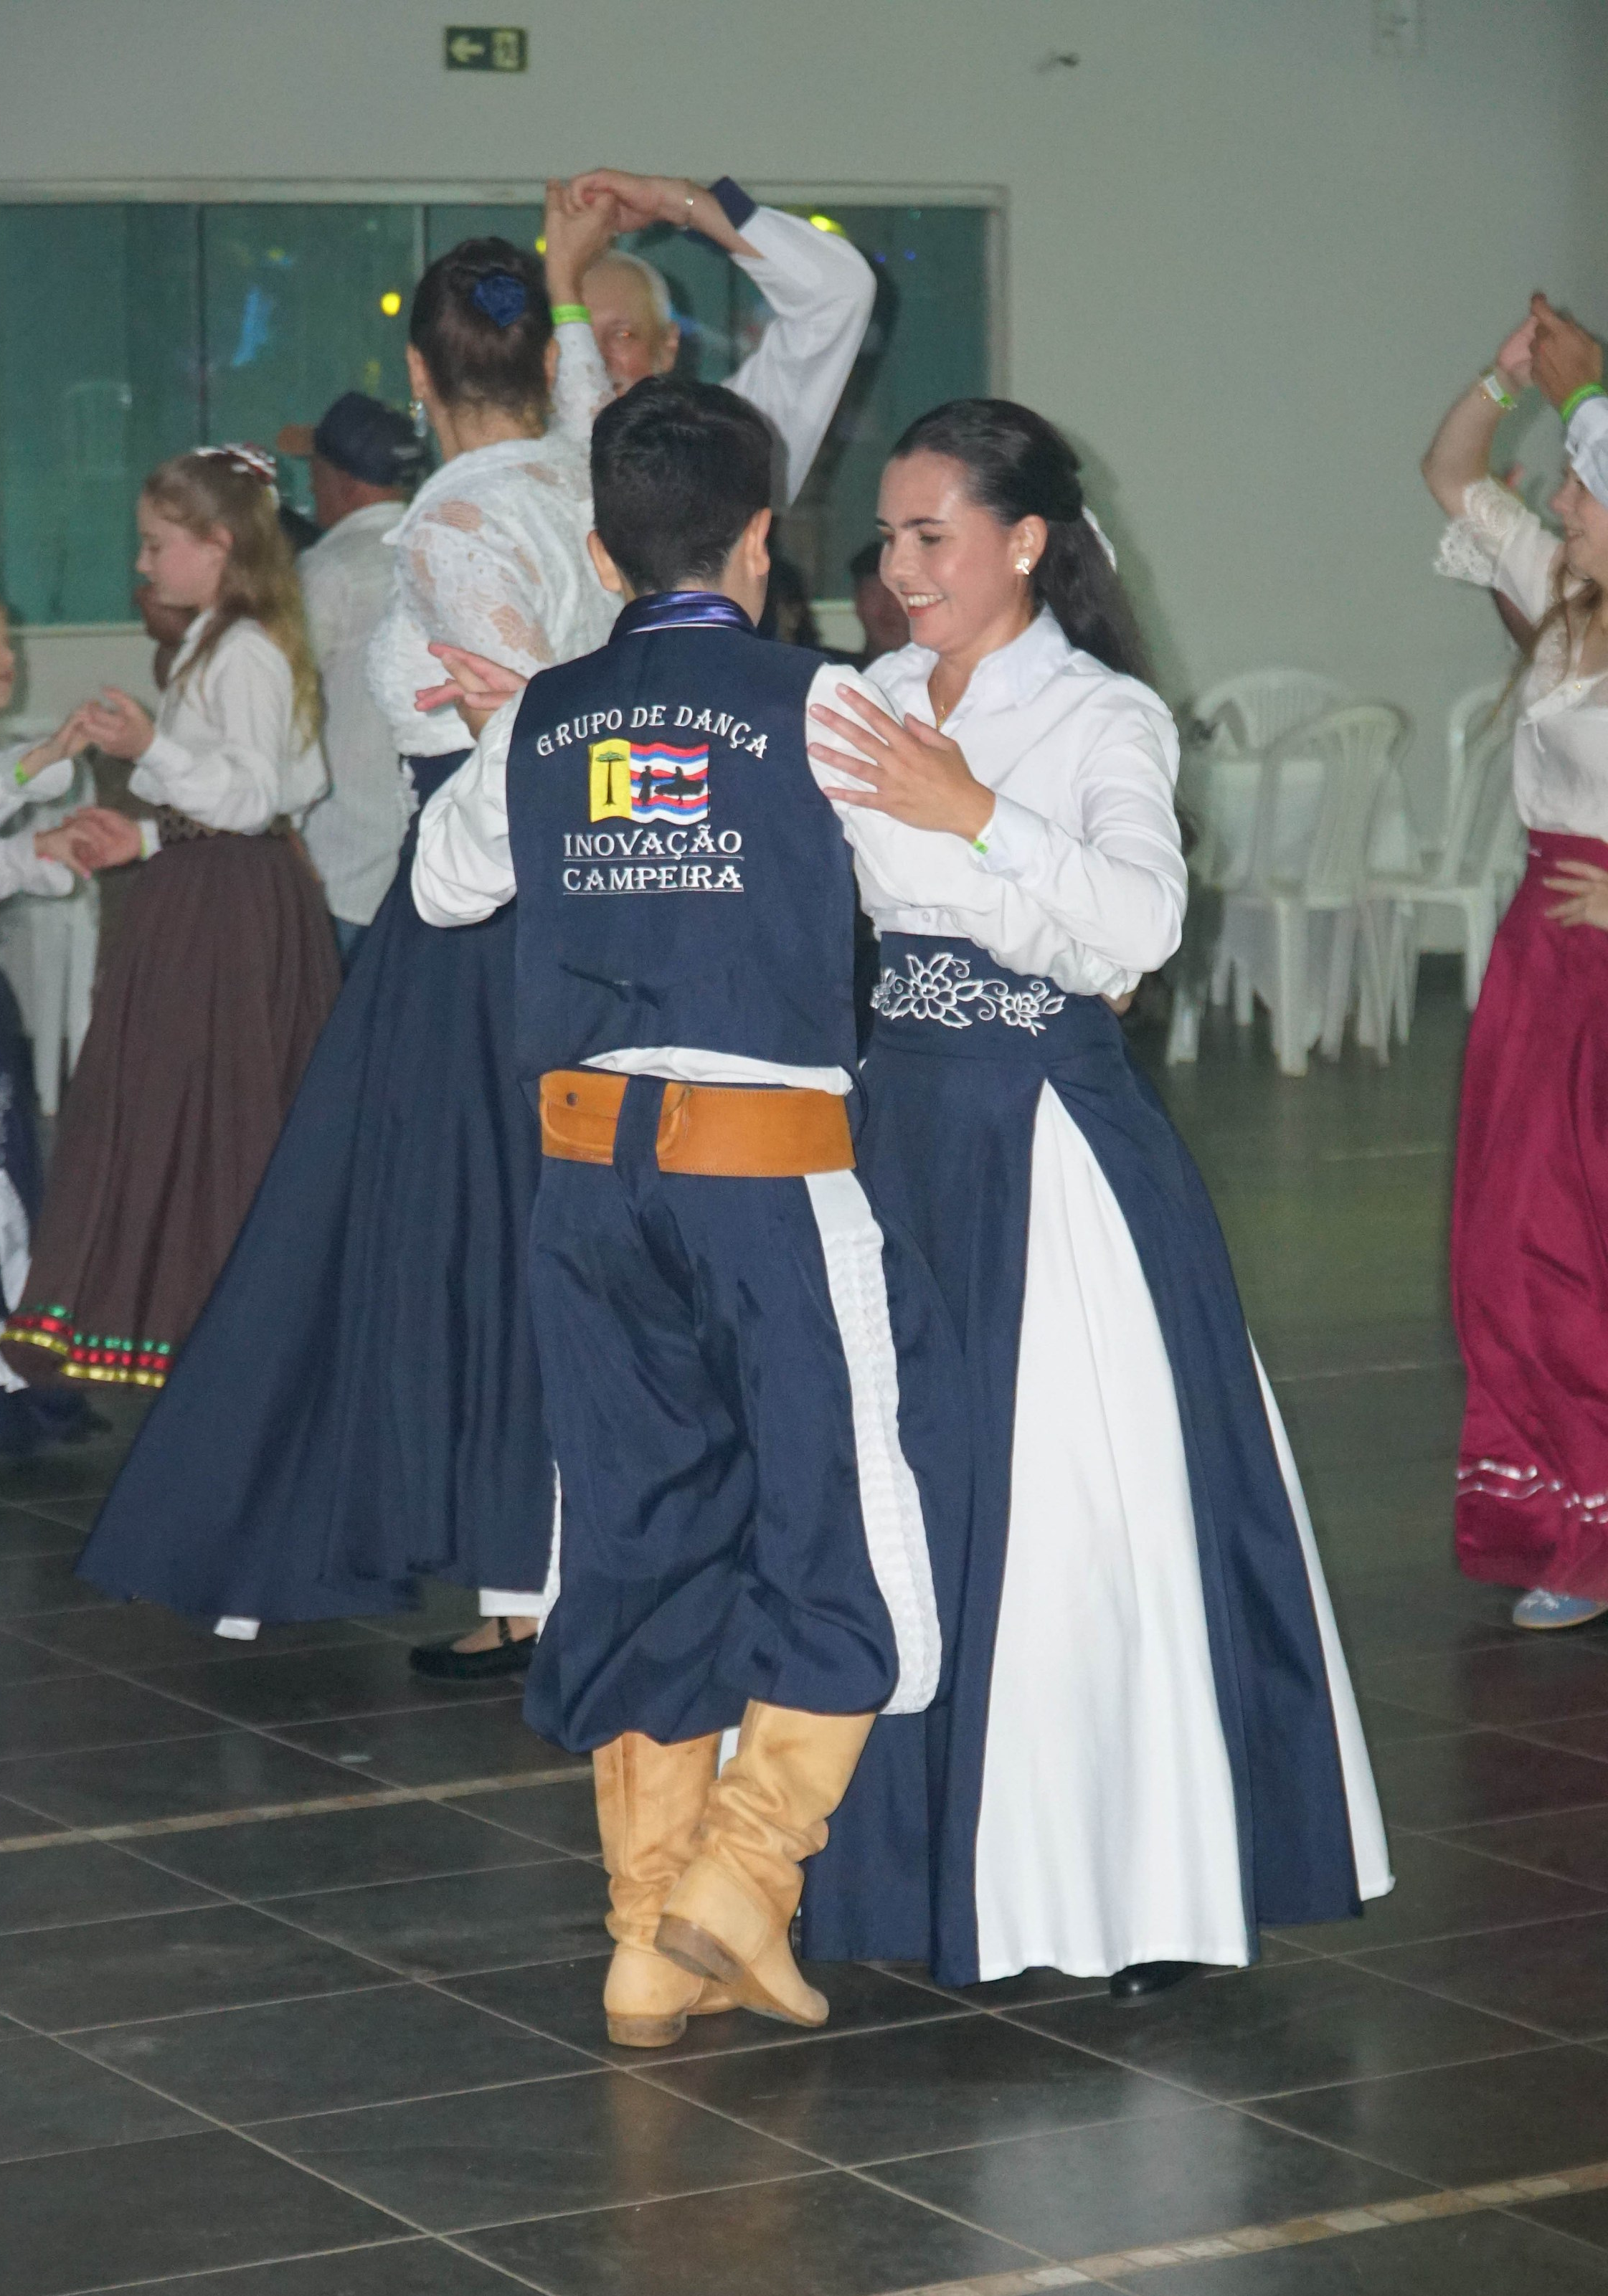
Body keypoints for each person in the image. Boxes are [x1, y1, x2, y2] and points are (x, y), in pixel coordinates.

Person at [797, 400, 1391, 1997]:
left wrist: (975, 816)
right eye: (892, 536)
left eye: (933, 534)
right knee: (903, 1490)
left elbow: (1134, 927)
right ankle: (904, 1860)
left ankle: (1124, 1877)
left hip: (1047, 1139)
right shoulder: (854, 696)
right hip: (890, 1127)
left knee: (1071, 1504)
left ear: (1026, 541)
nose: (901, 565)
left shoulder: (1102, 715)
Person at [413, 380, 963, 2046]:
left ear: (596, 548)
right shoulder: (820, 701)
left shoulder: (547, 715)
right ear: (763, 540)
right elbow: (935, 892)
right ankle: (746, 1869)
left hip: (586, 1180)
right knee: (839, 1521)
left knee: (640, 1532)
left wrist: (536, 734)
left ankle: (644, 1944)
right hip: (763, 1176)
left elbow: (450, 886)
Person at [77, 195, 619, 1643]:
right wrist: (568, 290)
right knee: (524, 1226)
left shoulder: (449, 520)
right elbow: (580, 406)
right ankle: (529, 1558)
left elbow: (513, 722)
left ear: (427, 387)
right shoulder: (590, 473)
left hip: (472, 911)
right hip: (594, 900)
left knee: (411, 1233)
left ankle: (508, 1567)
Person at [0, 449, 338, 1399]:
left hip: (229, 911)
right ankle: (196, 1324)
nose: (143, 565)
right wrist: (141, 840)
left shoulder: (247, 650)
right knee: (186, 1107)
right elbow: (245, 802)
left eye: (157, 544)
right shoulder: (222, 641)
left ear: (217, 546)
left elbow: (257, 795)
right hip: (213, 891)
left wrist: (152, 748)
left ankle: (225, 1329)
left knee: (220, 1113)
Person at [1424, 309, 1608, 1629]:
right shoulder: (1559, 594)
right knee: (1516, 1242)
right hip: (1544, 959)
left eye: (1581, 485)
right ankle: (1562, 1514)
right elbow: (1449, 471)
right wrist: (1509, 373)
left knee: (1583, 1248)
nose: (1556, 495)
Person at [0, 589, 124, 1450]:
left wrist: (39, 853)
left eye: (7, 635)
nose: (6, 652)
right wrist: (33, 846)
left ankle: (9, 1384)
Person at [577, 174, 874, 509]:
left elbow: (840, 294)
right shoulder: (513, 466)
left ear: (668, 345)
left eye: (623, 335)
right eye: (576, 337)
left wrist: (680, 205)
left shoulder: (722, 446)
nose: (595, 359)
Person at [275, 393, 425, 961]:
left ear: (343, 480)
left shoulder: (330, 571)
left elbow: (285, 708)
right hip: (430, 873)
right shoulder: (437, 548)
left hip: (341, 872)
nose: (310, 487)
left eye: (314, 469)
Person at [848, 536, 908, 661]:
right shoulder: (839, 676)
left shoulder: (950, 677)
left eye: (901, 592)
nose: (891, 605)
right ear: (858, 603)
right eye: (874, 593)